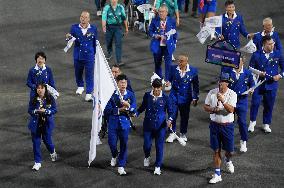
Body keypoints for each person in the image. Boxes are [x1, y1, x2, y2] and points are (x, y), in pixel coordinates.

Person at [204, 72, 237, 184]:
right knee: (216, 150)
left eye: (223, 81)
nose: (220, 83)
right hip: (214, 126)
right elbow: (205, 106)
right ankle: (217, 174)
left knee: (230, 151)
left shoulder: (232, 94)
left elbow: (231, 110)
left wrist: (223, 100)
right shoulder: (212, 92)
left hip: (227, 127)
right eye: (220, 81)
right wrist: (213, 109)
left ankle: (228, 160)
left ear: (227, 83)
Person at [136, 78, 174, 175]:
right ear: (152, 87)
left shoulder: (166, 98)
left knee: (159, 146)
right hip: (148, 125)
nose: (157, 91)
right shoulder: (147, 96)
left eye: (159, 89)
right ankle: (147, 156)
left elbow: (171, 112)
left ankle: (157, 166)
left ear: (161, 88)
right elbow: (142, 107)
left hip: (160, 127)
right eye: (155, 89)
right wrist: (136, 113)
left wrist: (169, 120)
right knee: (147, 145)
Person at [248, 35, 284, 133]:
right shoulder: (256, 55)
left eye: (273, 43)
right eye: (270, 44)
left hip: (272, 85)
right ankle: (252, 122)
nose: (272, 45)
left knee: (269, 105)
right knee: (255, 104)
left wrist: (280, 75)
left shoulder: (278, 54)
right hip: (258, 84)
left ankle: (266, 124)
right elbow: (250, 69)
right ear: (264, 44)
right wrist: (259, 73)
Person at [104, 74, 137, 175]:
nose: (123, 85)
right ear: (117, 84)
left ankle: (121, 165)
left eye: (125, 82)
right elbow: (107, 110)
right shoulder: (111, 94)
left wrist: (129, 106)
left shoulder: (130, 94)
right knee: (111, 143)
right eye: (121, 83)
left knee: (124, 144)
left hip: (125, 124)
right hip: (113, 123)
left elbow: (134, 108)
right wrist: (119, 110)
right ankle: (114, 155)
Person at [166, 55, 199, 143]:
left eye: (181, 61)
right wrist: (168, 83)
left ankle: (183, 133)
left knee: (184, 116)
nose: (179, 63)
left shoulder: (193, 71)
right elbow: (168, 79)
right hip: (174, 96)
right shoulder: (173, 69)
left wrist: (195, 97)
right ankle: (172, 133)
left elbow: (195, 85)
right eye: (178, 61)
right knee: (172, 113)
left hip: (186, 98)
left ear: (186, 62)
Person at [66, 11, 98, 102]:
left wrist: (94, 55)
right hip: (78, 55)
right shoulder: (74, 28)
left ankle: (88, 93)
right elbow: (69, 38)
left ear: (89, 19)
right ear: (80, 18)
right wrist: (67, 37)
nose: (83, 19)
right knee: (78, 72)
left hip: (89, 56)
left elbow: (95, 42)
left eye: (85, 17)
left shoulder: (93, 29)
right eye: (82, 17)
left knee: (89, 74)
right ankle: (80, 86)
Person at [227, 56, 254, 152]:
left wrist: (251, 89)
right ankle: (229, 142)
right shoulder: (228, 71)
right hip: (230, 100)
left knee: (242, 122)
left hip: (242, 100)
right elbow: (223, 84)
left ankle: (243, 141)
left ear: (243, 62)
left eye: (240, 61)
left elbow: (252, 84)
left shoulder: (247, 73)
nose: (237, 63)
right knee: (229, 122)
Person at [28, 83, 58, 171]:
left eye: (41, 88)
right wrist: (36, 111)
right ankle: (37, 162)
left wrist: (47, 111)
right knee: (36, 143)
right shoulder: (33, 99)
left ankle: (53, 152)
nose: (39, 90)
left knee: (47, 141)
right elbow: (29, 110)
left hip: (47, 124)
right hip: (35, 124)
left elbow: (54, 109)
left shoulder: (50, 98)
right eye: (38, 88)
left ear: (45, 89)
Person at [149, 5, 178, 87]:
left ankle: (167, 81)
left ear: (167, 12)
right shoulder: (154, 20)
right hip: (157, 46)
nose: (161, 13)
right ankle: (159, 80)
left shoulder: (172, 21)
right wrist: (155, 35)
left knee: (168, 64)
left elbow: (175, 32)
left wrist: (175, 43)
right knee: (157, 64)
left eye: (163, 12)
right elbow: (150, 31)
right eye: (160, 12)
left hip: (168, 46)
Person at [102, 0, 128, 66]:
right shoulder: (106, 8)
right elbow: (104, 18)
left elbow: (124, 18)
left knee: (118, 43)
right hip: (109, 27)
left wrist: (126, 28)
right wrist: (103, 27)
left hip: (118, 28)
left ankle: (119, 61)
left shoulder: (121, 7)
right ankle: (109, 52)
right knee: (109, 42)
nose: (113, 1)